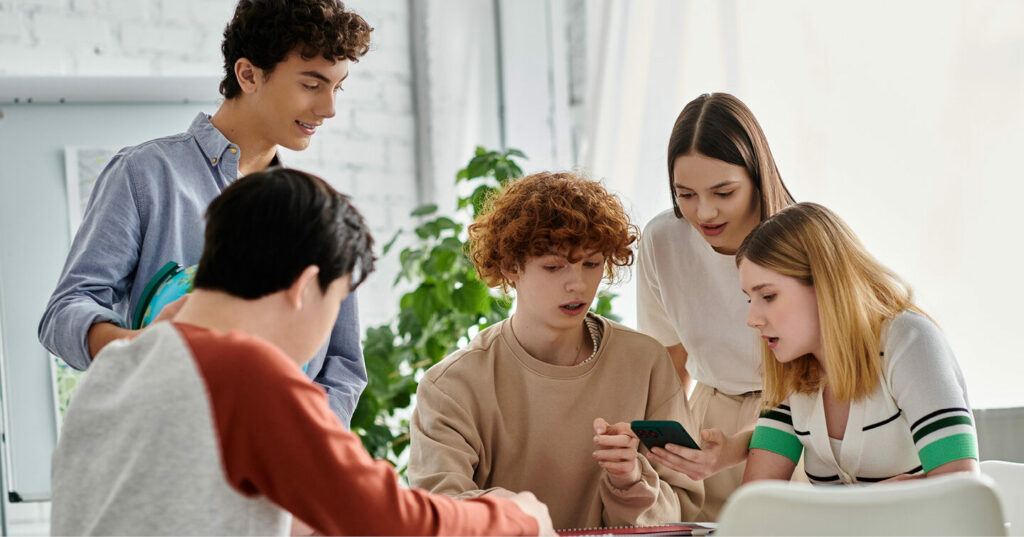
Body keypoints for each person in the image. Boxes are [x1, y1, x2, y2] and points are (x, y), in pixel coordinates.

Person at [50, 168, 554, 536]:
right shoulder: (241, 371)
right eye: (335, 303)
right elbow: (388, 521)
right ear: (306, 287)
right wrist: (518, 517)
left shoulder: (119, 364)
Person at [38, 0, 372, 426]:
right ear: (248, 74)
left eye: (337, 87)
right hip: (167, 453)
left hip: (279, 472)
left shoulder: (318, 214)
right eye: (312, 85)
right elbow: (65, 311)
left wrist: (296, 441)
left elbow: (342, 366)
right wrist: (140, 348)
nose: (329, 109)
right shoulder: (145, 175)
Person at [408, 171, 704, 530]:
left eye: (591, 264)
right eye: (553, 266)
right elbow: (441, 515)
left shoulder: (646, 363)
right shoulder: (451, 386)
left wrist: (631, 482)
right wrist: (520, 515)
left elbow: (684, 508)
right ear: (510, 267)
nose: (577, 284)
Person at [736, 202, 979, 484]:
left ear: (825, 284)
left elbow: (960, 487)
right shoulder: (792, 372)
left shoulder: (909, 340)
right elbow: (757, 500)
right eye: (748, 298)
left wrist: (842, 512)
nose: (752, 319)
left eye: (768, 296)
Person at [635, 92, 796, 519]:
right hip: (708, 420)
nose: (704, 212)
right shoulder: (662, 241)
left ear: (756, 176)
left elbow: (823, 376)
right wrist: (659, 447)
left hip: (795, 417)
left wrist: (743, 445)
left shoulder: (802, 240)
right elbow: (670, 360)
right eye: (685, 194)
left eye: (723, 192)